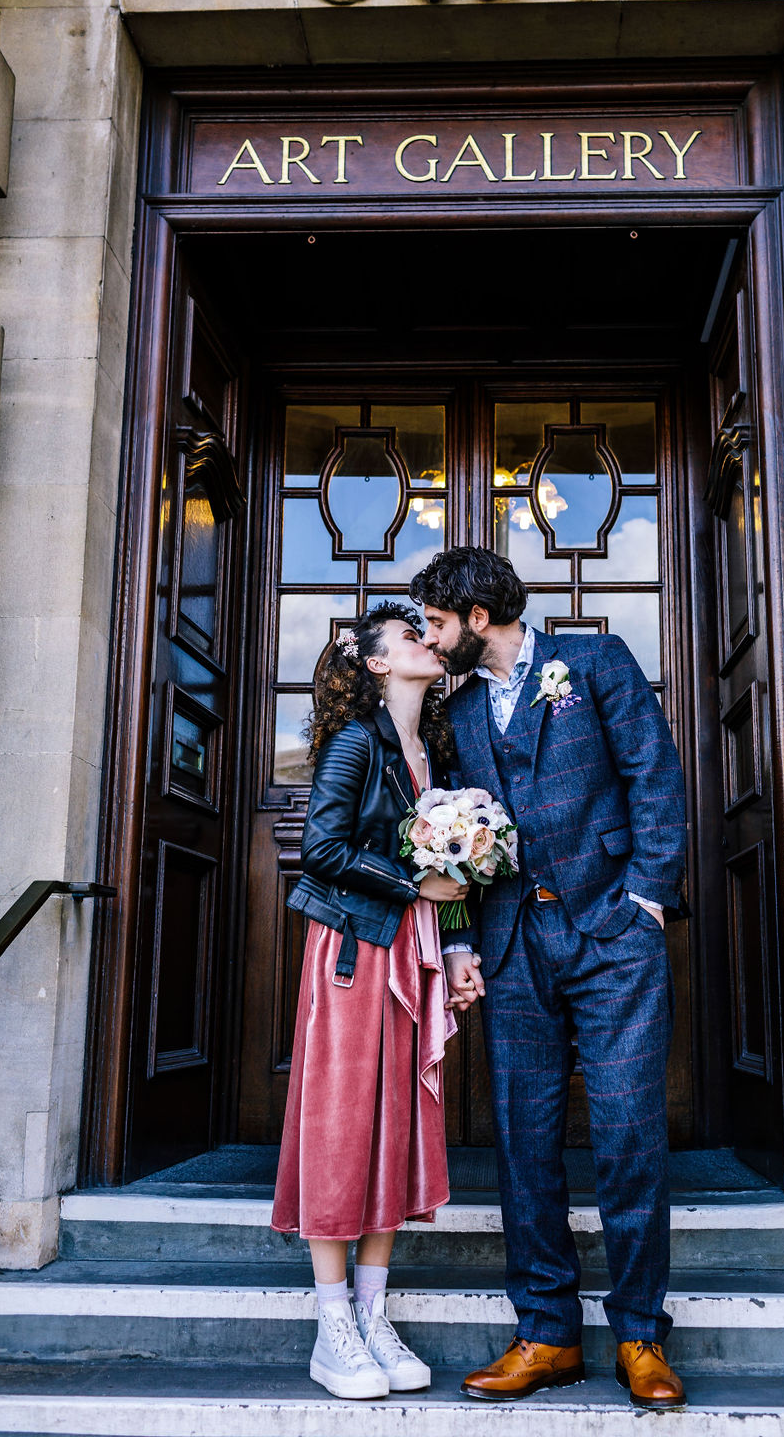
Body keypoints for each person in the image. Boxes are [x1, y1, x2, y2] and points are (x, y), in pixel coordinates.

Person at [410, 546, 688, 1411]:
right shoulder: (453, 715)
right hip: (512, 942)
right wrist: (458, 941)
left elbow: (654, 776)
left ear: (478, 620)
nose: (430, 635)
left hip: (613, 936)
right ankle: (547, 1334)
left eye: (438, 622)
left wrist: (646, 898)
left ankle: (639, 1333)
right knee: (524, 1141)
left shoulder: (596, 663)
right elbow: (442, 834)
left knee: (627, 1134)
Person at [271, 602, 470, 1400]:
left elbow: (455, 864)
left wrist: (457, 946)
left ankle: (372, 1311)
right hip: (353, 948)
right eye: (412, 635)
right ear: (379, 663)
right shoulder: (357, 741)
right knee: (342, 1121)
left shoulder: (432, 751)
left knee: (396, 1121)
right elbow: (320, 849)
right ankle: (333, 1328)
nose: (429, 640)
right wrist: (411, 884)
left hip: (414, 954)